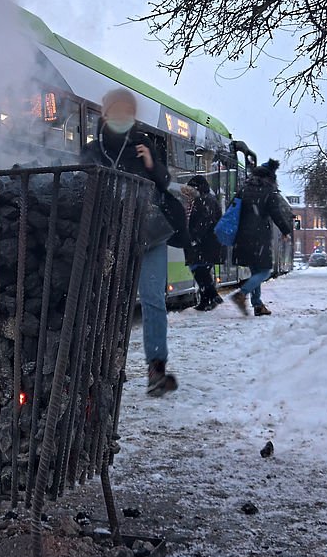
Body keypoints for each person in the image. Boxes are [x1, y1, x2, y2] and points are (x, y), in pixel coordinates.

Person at [81, 87, 179, 396]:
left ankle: (156, 368)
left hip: (149, 234)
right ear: (105, 113)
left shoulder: (144, 144)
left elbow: (164, 183)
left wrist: (151, 164)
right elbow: (82, 186)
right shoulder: (93, 150)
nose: (123, 115)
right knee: (107, 302)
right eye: (118, 109)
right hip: (111, 234)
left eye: (129, 110)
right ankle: (103, 368)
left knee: (153, 300)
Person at [230, 158, 293, 316]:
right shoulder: (268, 191)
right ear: (270, 177)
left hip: (242, 237)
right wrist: (285, 231)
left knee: (255, 271)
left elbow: (233, 208)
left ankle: (257, 305)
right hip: (259, 238)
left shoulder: (244, 189)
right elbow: (276, 213)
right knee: (265, 271)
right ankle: (242, 294)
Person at [181, 175, 223, 311]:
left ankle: (212, 296)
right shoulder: (204, 199)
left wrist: (194, 237)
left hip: (205, 243)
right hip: (206, 243)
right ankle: (207, 299)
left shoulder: (205, 200)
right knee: (201, 271)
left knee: (200, 271)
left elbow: (204, 221)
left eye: (191, 188)